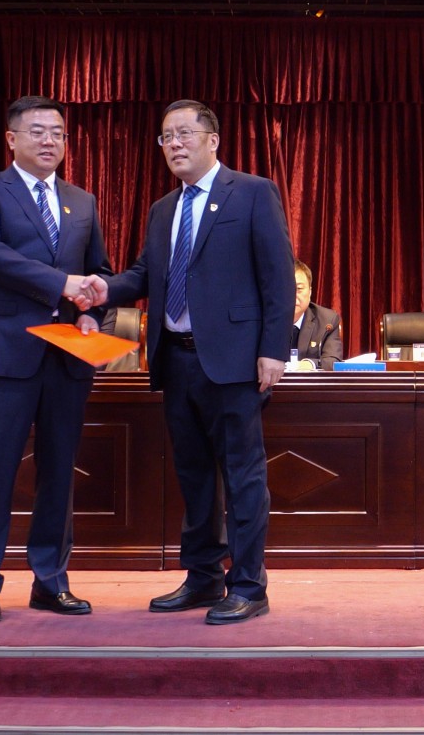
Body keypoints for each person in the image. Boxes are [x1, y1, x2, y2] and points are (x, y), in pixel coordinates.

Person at [81, 99, 294, 625]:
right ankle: (202, 577)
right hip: (176, 360)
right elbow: (145, 274)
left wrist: (273, 349)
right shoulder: (163, 209)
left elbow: (278, 275)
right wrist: (104, 288)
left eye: (183, 134)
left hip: (234, 362)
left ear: (212, 140)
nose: (174, 144)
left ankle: (249, 585)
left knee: (242, 476)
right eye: (165, 137)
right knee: (194, 475)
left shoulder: (252, 192)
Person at [0, 95, 112, 624]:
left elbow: (99, 272)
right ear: (12, 139)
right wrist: (60, 283)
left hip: (66, 359)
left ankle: (51, 581)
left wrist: (94, 315)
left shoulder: (82, 200)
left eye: (59, 133)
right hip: (6, 358)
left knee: (58, 474)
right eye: (38, 131)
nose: (50, 141)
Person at [289, 260, 344, 371]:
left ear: (310, 292)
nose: (293, 295)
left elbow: (333, 360)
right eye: (286, 289)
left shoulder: (327, 321)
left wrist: (310, 364)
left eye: (299, 289)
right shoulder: (262, 319)